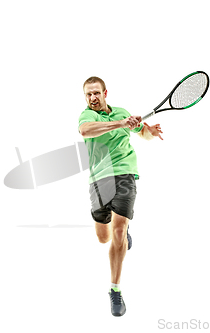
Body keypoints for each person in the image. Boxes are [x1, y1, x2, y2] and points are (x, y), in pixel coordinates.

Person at [78, 76, 163, 316]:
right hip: (99, 180)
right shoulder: (88, 116)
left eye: (96, 93)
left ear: (106, 93)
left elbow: (142, 133)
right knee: (103, 237)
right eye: (88, 94)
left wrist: (150, 132)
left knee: (118, 230)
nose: (92, 98)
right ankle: (122, 232)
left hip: (125, 173)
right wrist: (120, 124)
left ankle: (115, 289)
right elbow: (86, 131)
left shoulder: (122, 112)